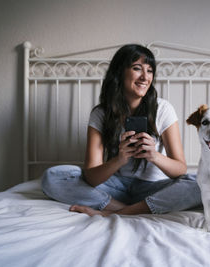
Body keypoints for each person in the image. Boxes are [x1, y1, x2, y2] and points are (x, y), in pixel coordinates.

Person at [42, 44, 201, 216]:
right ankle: (126, 210)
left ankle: (114, 212)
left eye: (149, 71)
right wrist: (119, 159)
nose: (145, 77)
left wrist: (154, 156)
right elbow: (91, 177)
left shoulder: (162, 109)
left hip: (154, 189)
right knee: (53, 176)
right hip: (116, 188)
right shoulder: (101, 113)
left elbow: (180, 169)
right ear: (120, 72)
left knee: (199, 183)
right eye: (137, 69)